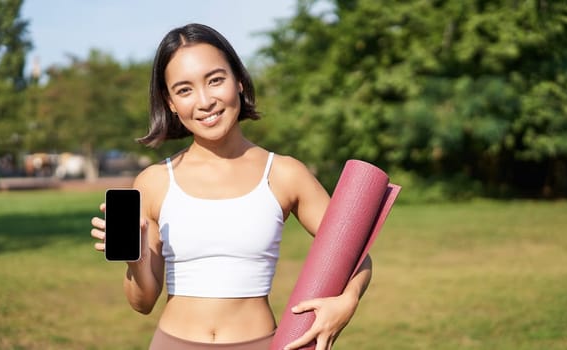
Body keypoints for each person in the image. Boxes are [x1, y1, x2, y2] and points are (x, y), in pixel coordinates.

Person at [89, 23, 372, 350]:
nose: (205, 100)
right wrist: (135, 260)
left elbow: (358, 254)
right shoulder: (153, 182)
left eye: (215, 80)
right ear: (169, 102)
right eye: (184, 90)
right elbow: (143, 302)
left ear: (238, 80)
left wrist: (346, 302)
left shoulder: (284, 173)